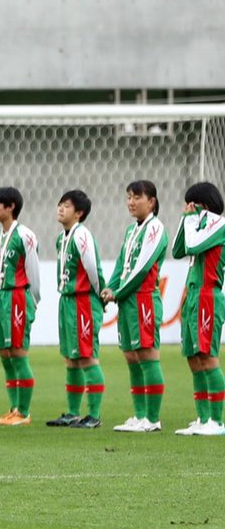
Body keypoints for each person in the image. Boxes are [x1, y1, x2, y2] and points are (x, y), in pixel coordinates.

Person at [102, 181, 168, 433]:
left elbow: (141, 269)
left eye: (136, 197)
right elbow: (122, 264)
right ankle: (140, 415)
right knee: (132, 356)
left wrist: (117, 293)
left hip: (143, 299)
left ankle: (152, 419)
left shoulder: (155, 228)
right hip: (128, 300)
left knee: (147, 355)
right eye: (128, 197)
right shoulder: (132, 230)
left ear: (151, 202)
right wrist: (110, 286)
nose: (131, 202)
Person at [46, 190, 106, 429]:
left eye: (67, 206)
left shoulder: (82, 235)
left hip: (83, 301)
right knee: (71, 358)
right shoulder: (61, 238)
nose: (61, 209)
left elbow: (92, 268)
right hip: (67, 301)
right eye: (60, 204)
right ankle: (72, 412)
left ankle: (94, 415)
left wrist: (100, 295)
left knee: (87, 356)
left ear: (79, 213)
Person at [171, 182, 225, 436]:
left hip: (207, 296)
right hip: (192, 295)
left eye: (191, 203)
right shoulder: (198, 224)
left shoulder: (219, 224)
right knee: (193, 357)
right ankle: (203, 418)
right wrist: (186, 219)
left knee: (208, 356)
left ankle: (217, 421)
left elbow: (192, 246)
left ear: (203, 204)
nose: (188, 208)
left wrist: (191, 219)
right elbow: (178, 250)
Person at [0, 187, 42, 427]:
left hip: (17, 297)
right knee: (4, 353)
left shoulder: (25, 235)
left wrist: (33, 302)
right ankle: (13, 409)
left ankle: (24, 412)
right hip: (1, 297)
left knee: (18, 354)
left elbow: (33, 271)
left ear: (11, 207)